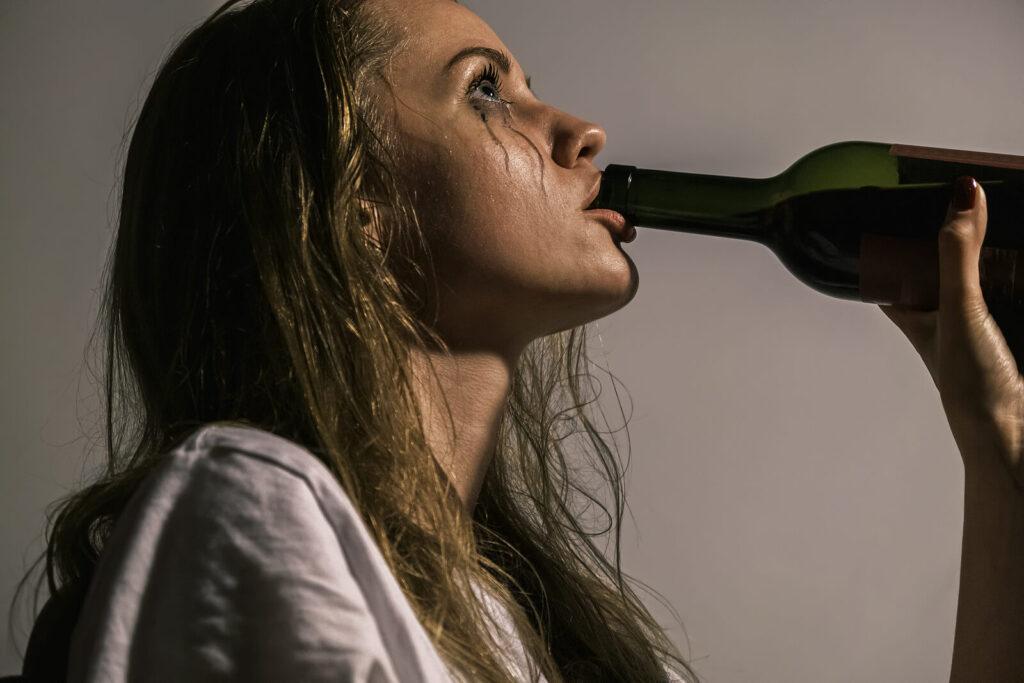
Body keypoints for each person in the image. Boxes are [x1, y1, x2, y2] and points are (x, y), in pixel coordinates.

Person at [12, 0, 1024, 680]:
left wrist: (999, 446)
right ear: (349, 205)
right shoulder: (250, 505)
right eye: (485, 91)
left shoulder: (543, 631)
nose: (579, 129)